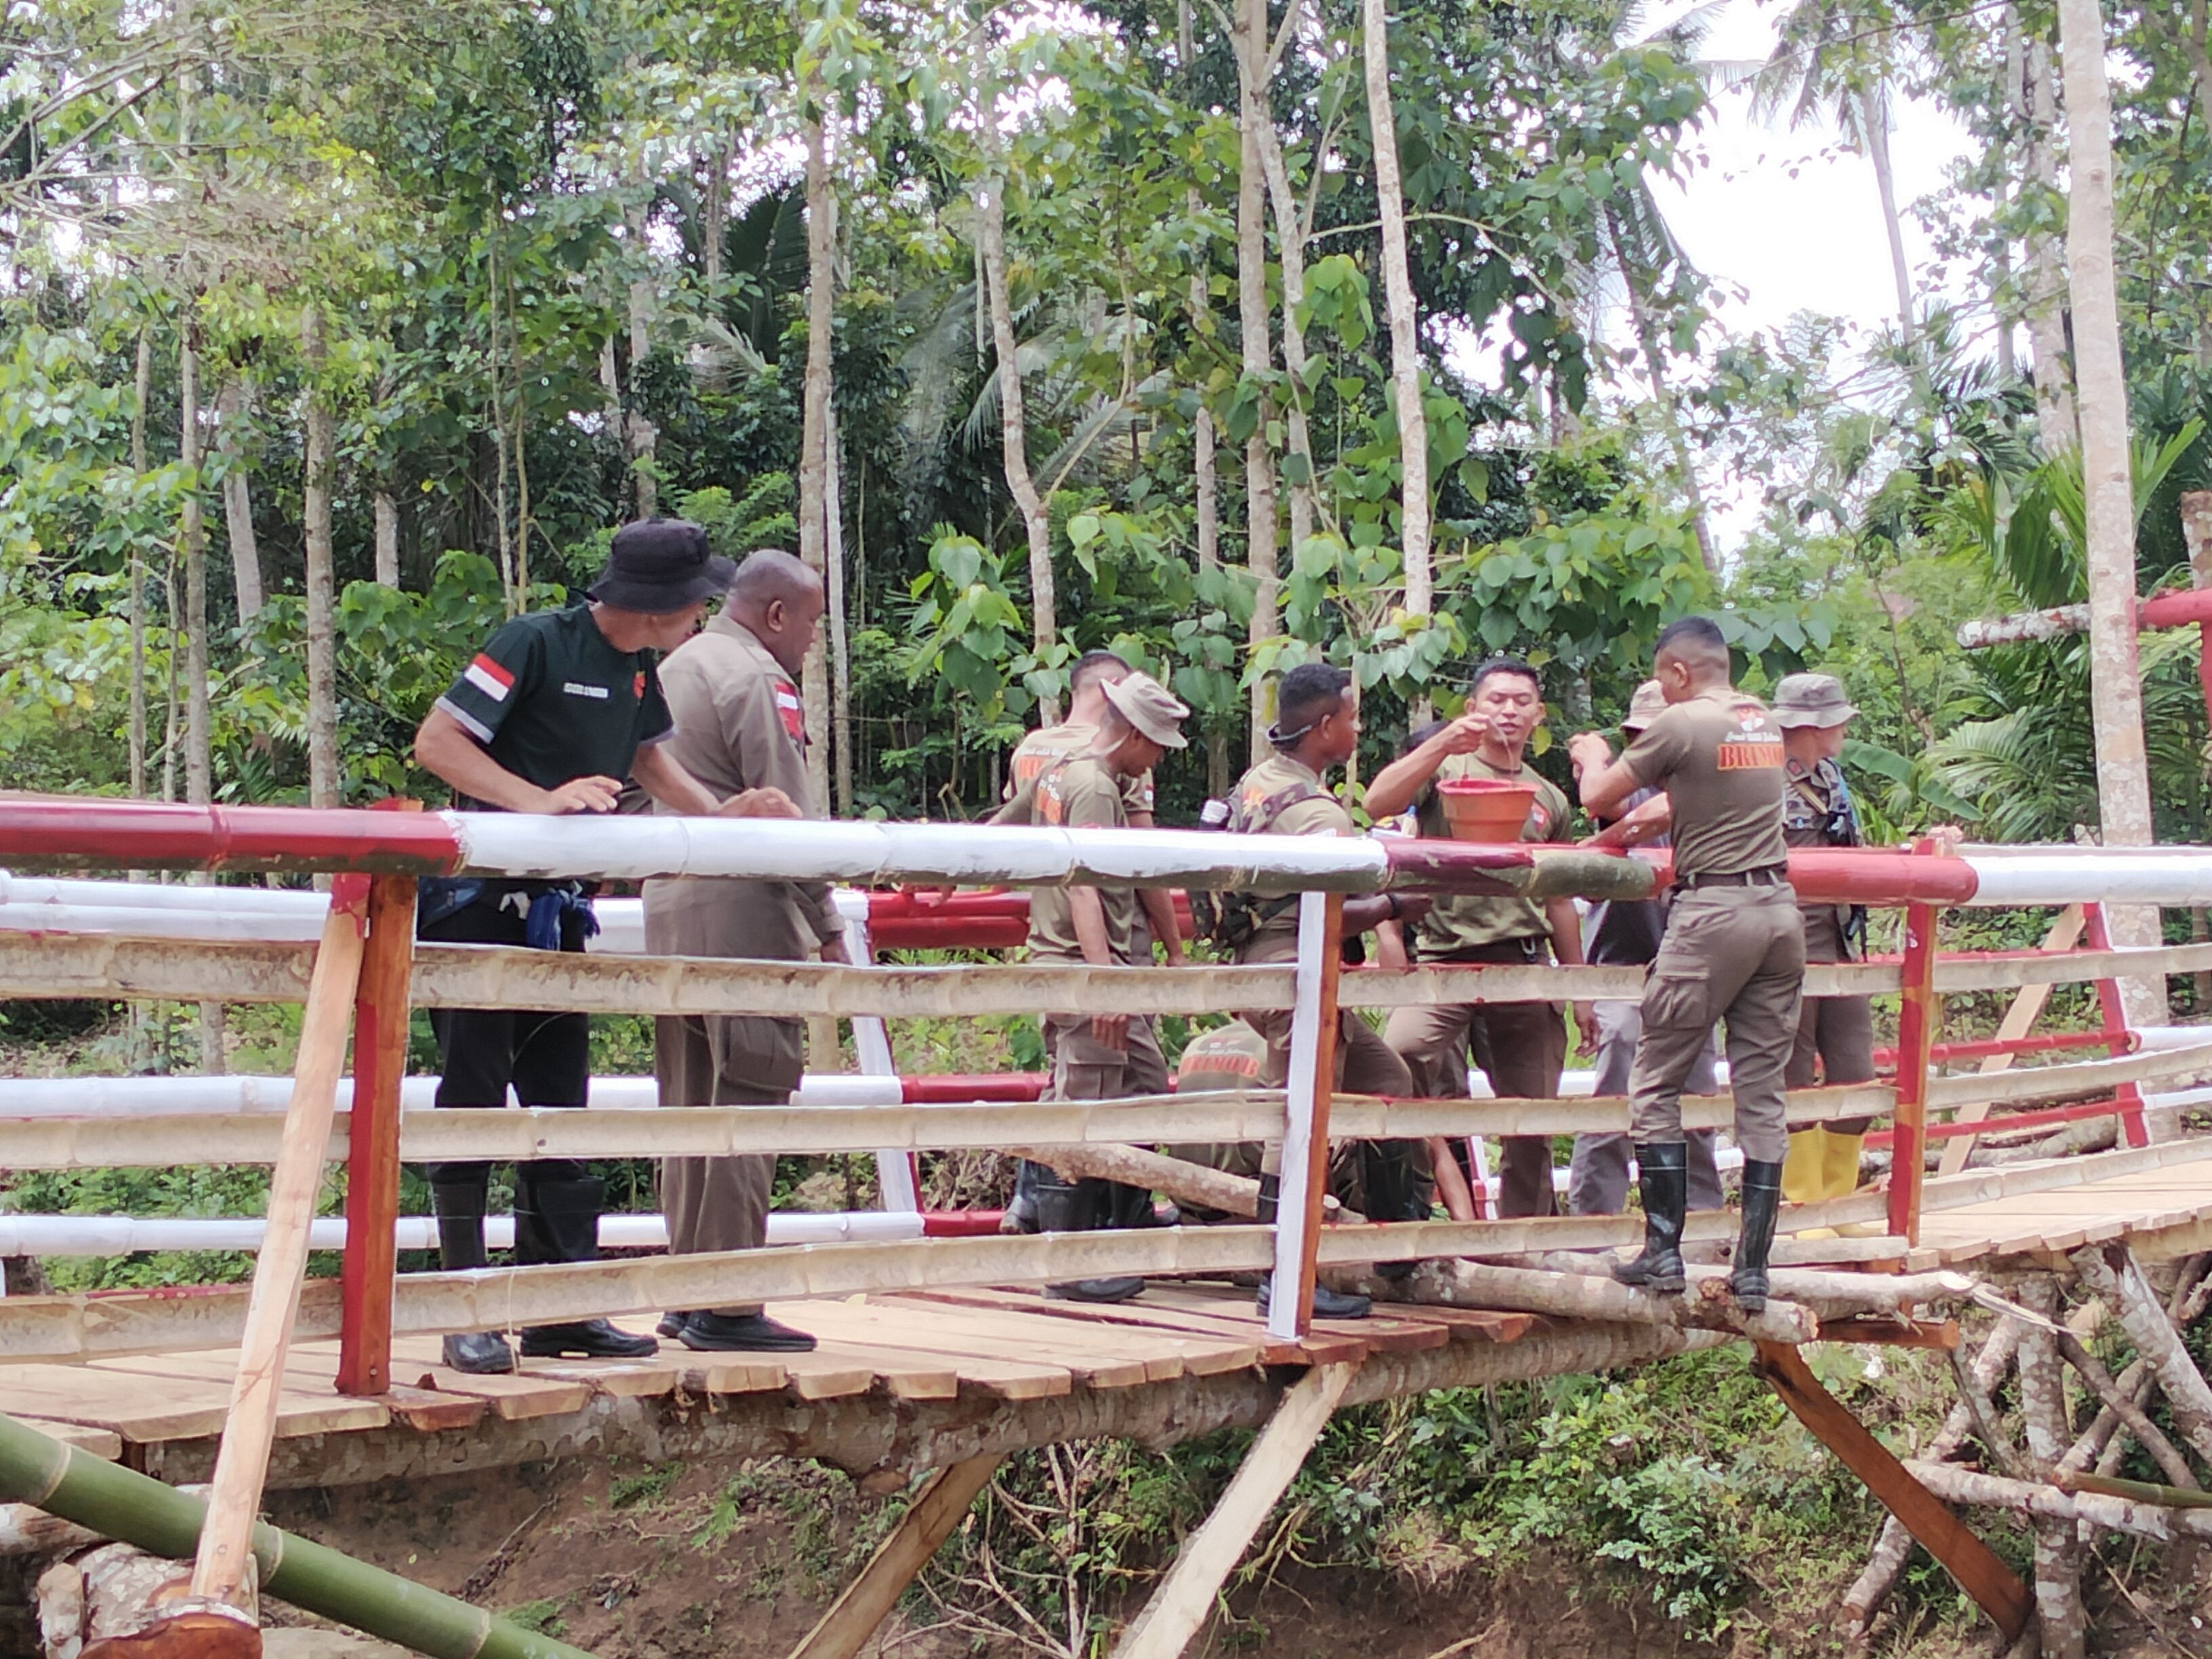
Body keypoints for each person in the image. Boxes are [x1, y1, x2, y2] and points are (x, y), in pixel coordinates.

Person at [411, 518, 791, 1374]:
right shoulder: (536, 641)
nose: (704, 612)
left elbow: (652, 763)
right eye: (699, 599)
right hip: (475, 910)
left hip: (556, 914)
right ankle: (465, 1307)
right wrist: (534, 802)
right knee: (473, 1092)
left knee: (560, 1100)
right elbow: (437, 742)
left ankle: (558, 1308)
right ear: (661, 605)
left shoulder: (636, 671)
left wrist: (722, 818)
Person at [1568, 615, 1803, 1312]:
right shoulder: (1761, 722)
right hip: (1780, 910)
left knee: (1655, 1080)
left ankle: (1663, 1253)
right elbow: (1706, 797)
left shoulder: (1683, 723)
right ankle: (1753, 1271)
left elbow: (1597, 800)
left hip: (1714, 915)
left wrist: (1589, 754)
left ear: (1675, 672)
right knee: (1761, 1090)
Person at [645, 549, 846, 1353]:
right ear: (775, 615)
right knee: (748, 1092)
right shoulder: (758, 678)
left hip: (668, 899)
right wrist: (827, 920)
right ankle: (728, 1300)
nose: (809, 641)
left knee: (687, 1101)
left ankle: (687, 1287)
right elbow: (780, 812)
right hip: (741, 908)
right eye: (809, 624)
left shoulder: (677, 664)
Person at [1219, 661, 1428, 1320]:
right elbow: (1337, 914)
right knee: (1302, 1114)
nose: (1358, 728)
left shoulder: (1260, 784)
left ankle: (1401, 1246)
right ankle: (1283, 1275)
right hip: (1293, 973)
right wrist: (1399, 902)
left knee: (1386, 1076)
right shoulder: (1317, 814)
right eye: (1352, 716)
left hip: (1261, 964)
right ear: (1328, 726)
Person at [1363, 657, 1597, 1219]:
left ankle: (1527, 1247)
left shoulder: (1549, 798)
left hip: (1523, 964)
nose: (1509, 711)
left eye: (1521, 701)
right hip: (1444, 962)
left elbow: (1560, 899)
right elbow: (1377, 803)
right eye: (1497, 700)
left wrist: (1581, 990)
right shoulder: (1445, 773)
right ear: (1473, 708)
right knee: (1397, 1061)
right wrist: (1442, 743)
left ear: (1539, 714)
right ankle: (1412, 1211)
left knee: (1530, 1122)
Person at [1020, 671, 1191, 1302]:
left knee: (1144, 1088)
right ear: (1138, 739)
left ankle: (1121, 1230)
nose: (1159, 761)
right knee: (1086, 1109)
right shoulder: (1093, 786)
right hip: (1085, 968)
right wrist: (1103, 986)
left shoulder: (1062, 771)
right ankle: (1068, 1263)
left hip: (1098, 966)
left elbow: (1002, 826)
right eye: (1158, 747)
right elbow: (1083, 883)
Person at [1566, 680, 1724, 1218]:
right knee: (1616, 1099)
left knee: (1696, 1098)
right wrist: (1595, 758)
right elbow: (1603, 804)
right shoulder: (1626, 793)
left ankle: (1698, 1220)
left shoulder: (1710, 792)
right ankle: (1593, 1223)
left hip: (1693, 969)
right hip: (1624, 967)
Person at [1772, 672, 1877, 1222]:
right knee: (1793, 1076)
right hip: (1786, 943)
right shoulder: (1765, 780)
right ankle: (1803, 1206)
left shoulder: (1833, 777)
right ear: (1812, 725)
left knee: (1856, 1070)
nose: (1843, 728)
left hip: (1840, 939)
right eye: (1837, 719)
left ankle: (1839, 1199)